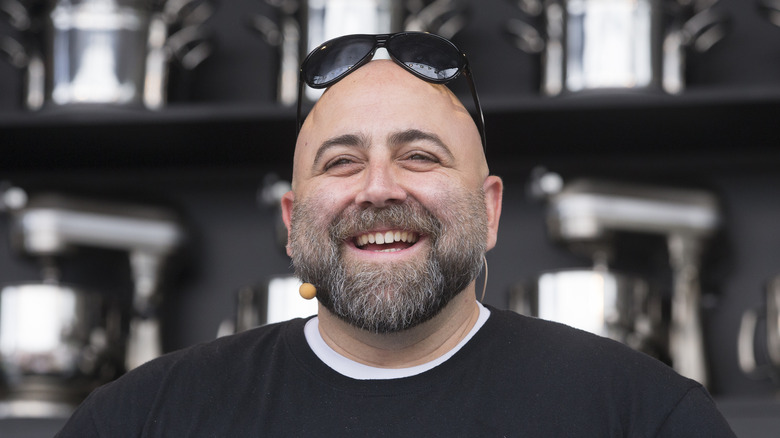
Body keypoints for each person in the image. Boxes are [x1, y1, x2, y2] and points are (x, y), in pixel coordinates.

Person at [56, 32, 735, 437]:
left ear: (490, 210)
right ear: (291, 223)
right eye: (342, 162)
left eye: (420, 156)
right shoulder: (144, 420)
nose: (379, 188)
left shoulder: (641, 417)